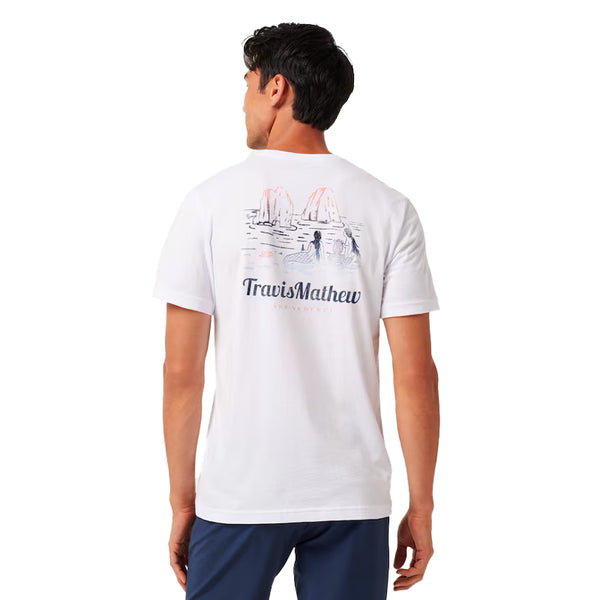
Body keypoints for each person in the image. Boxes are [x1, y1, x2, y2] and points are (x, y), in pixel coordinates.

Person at [152, 22, 440, 599]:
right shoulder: (390, 209)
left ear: (276, 89)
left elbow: (182, 373)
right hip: (352, 496)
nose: (243, 103)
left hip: (241, 492)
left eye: (248, 85)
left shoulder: (208, 203)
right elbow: (416, 374)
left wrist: (183, 501)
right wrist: (422, 505)